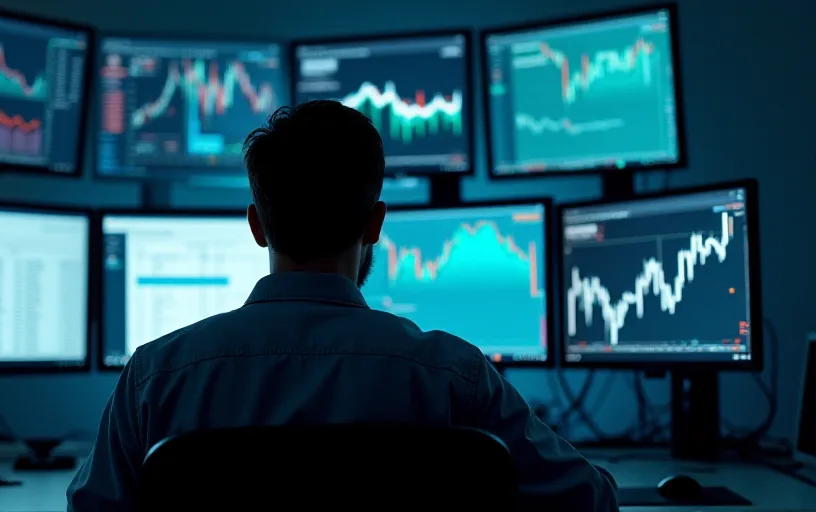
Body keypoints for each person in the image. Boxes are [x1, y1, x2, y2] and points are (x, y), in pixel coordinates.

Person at [67, 100, 619, 511]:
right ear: (375, 223)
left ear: (257, 227)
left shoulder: (154, 377)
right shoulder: (455, 377)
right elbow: (591, 499)